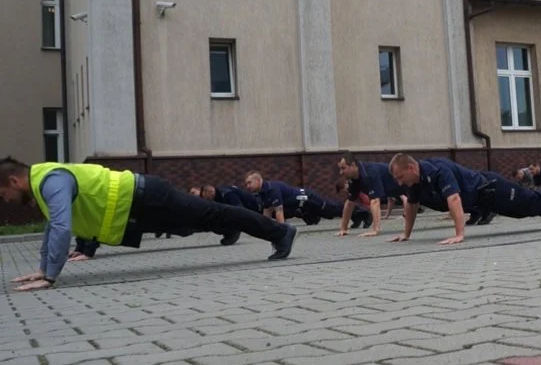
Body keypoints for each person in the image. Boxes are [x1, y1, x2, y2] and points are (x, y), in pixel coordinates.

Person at [3, 158, 299, 291]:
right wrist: (43, 268)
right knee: (205, 219)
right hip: (137, 209)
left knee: (213, 214)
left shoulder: (50, 180)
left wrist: (51, 275)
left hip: (146, 198)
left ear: (14, 181)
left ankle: (282, 232)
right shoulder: (43, 182)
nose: (6, 200)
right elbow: (53, 227)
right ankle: (248, 230)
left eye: (4, 193)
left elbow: (61, 226)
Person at [387, 154, 491, 245]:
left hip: (491, 188)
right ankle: (480, 211)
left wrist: (459, 235)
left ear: (411, 168)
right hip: (477, 199)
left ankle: (484, 211)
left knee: (507, 208)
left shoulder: (438, 169)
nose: (400, 183)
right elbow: (411, 204)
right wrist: (406, 234)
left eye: (400, 177)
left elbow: (454, 199)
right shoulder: (414, 182)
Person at [244, 171, 371, 228]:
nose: (247, 186)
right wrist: (266, 228)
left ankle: (363, 213)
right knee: (328, 214)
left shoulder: (272, 189)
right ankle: (356, 217)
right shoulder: (262, 192)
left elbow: (279, 212)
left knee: (332, 209)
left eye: (249, 183)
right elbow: (267, 211)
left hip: (308, 199)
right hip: (302, 207)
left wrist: (281, 231)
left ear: (258, 180)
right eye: (246, 184)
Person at [335, 152, 406, 237]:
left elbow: (375, 201)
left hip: (410, 186)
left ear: (353, 165)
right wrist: (343, 229)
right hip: (400, 191)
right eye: (340, 169)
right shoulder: (354, 179)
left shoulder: (369, 173)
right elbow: (349, 203)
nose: (341, 172)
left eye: (343, 168)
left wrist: (375, 230)